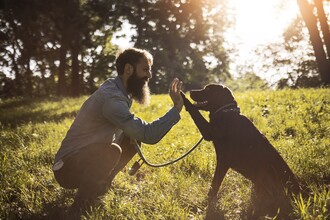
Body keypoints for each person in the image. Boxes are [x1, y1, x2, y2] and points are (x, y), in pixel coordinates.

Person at [52, 48, 184, 210]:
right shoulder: (112, 98)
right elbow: (148, 134)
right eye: (145, 70)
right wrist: (176, 108)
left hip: (83, 157)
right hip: (67, 169)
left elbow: (139, 135)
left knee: (132, 140)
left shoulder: (117, 90)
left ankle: (101, 187)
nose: (149, 76)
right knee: (113, 150)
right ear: (128, 69)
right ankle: (82, 204)